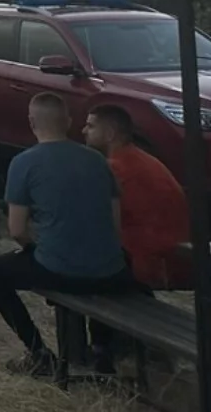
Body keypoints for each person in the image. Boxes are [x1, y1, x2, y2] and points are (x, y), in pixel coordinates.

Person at [0, 92, 138, 376]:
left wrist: (34, 247)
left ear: (31, 122)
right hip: (110, 272)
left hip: (59, 269)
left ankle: (38, 351)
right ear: (69, 122)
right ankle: (101, 348)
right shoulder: (98, 161)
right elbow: (114, 224)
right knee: (120, 258)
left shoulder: (23, 163)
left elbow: (16, 230)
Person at [82, 104, 188, 291]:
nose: (84, 131)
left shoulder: (115, 168)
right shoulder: (143, 159)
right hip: (172, 255)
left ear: (109, 133)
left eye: (91, 126)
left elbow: (98, 219)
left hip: (147, 261)